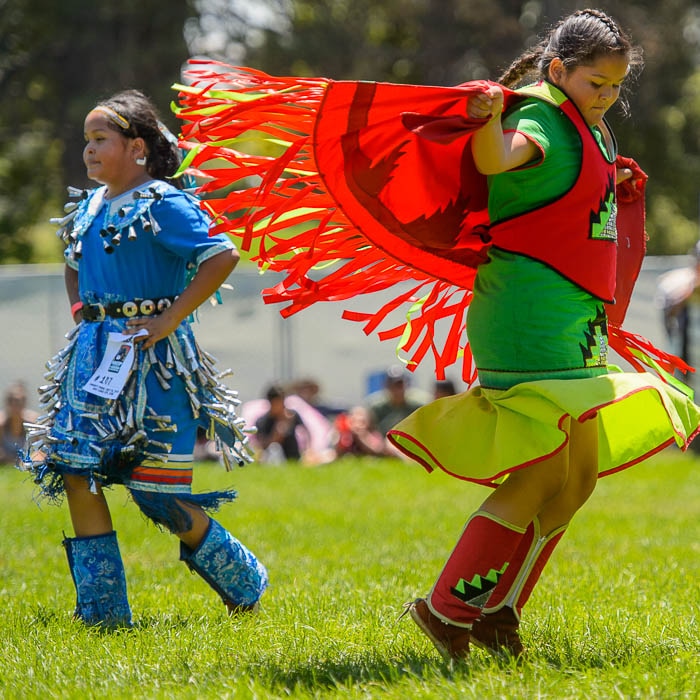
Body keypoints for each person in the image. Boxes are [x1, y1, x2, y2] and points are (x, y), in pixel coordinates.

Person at [174, 8, 700, 661]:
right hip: (528, 316)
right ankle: (448, 608)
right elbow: (497, 158)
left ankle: (497, 612)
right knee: (541, 474)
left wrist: (607, 183)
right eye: (598, 83)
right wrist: (485, 124)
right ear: (559, 70)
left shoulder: (588, 130)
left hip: (573, 320)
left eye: (618, 87)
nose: (608, 97)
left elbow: (562, 202)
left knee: (580, 474)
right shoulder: (538, 114)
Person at [19, 89, 267, 628]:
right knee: (75, 471)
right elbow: (72, 260)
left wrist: (168, 319)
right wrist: (83, 309)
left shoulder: (163, 202)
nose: (88, 149)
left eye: (99, 138)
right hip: (92, 358)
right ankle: (103, 615)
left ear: (137, 148)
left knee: (155, 492)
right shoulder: (89, 207)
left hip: (151, 359)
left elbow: (221, 254)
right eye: (86, 139)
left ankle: (244, 580)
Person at [365, 366, 427, 436]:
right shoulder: (377, 407)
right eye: (394, 385)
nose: (398, 390)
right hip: (384, 443)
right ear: (387, 386)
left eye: (400, 385)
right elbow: (372, 430)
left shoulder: (417, 405)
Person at [255, 383, 308, 462]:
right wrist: (277, 432)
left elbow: (305, 432)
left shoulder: (292, 415)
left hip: (294, 457)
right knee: (275, 448)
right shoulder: (262, 421)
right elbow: (262, 446)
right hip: (272, 459)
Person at [0, 381, 38, 465]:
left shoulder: (33, 424)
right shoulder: (1, 424)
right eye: (11, 401)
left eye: (19, 402)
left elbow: (40, 451)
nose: (15, 406)